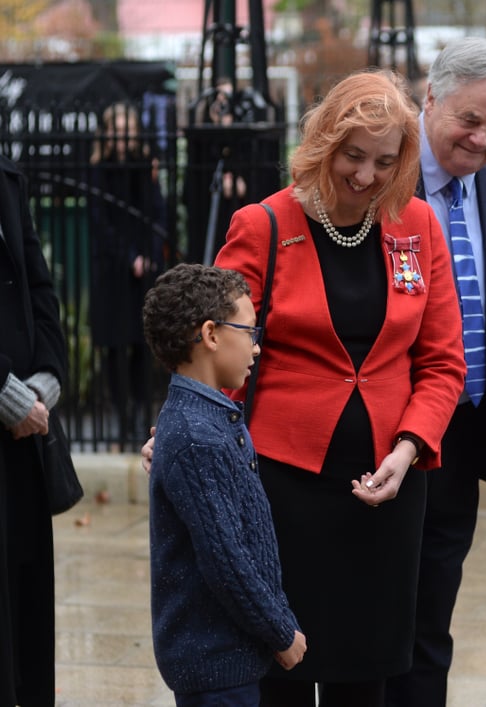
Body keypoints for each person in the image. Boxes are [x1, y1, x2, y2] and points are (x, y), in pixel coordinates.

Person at [202, 69, 464, 704]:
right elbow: (214, 348)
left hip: (386, 487)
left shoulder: (419, 226)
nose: (366, 176)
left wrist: (408, 451)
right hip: (280, 484)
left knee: (366, 673)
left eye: (384, 160)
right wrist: (196, 432)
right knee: (282, 669)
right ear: (324, 142)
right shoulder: (263, 223)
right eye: (353, 156)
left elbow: (441, 363)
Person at [385, 37, 486, 707]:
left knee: (432, 621)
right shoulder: (381, 166)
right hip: (388, 432)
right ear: (431, 99)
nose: (482, 139)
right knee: (378, 618)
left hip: (465, 428)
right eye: (469, 120)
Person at [142, 263, 307, 704]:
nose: (256, 347)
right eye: (249, 331)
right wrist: (279, 631)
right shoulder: (198, 436)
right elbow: (226, 559)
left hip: (227, 659)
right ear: (211, 335)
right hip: (215, 665)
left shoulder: (205, 418)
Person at [0, 155, 67, 707]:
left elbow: (39, 288)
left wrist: (47, 379)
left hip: (23, 435)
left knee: (24, 612)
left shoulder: (8, 177)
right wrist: (2, 388)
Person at [88, 100, 167, 447]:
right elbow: (99, 223)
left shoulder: (143, 167)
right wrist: (128, 257)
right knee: (114, 346)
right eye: (116, 131)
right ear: (107, 134)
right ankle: (119, 418)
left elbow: (157, 215)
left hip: (143, 270)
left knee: (140, 344)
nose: (122, 138)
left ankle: (138, 416)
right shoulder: (97, 169)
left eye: (127, 131)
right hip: (112, 270)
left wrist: (147, 256)